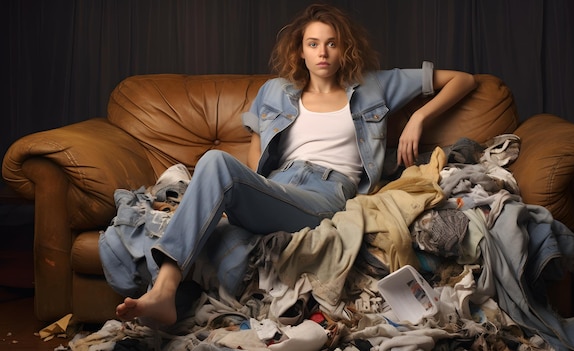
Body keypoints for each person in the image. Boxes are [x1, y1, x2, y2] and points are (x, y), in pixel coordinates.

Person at [115, 3, 476, 325]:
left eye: (332, 43)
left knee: (215, 164)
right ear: (301, 51)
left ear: (344, 48)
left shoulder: (374, 87)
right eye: (313, 44)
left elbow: (463, 79)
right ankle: (165, 290)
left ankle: (165, 289)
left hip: (327, 193)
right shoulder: (275, 90)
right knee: (216, 166)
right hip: (278, 185)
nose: (323, 52)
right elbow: (257, 147)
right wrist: (248, 191)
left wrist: (418, 119)